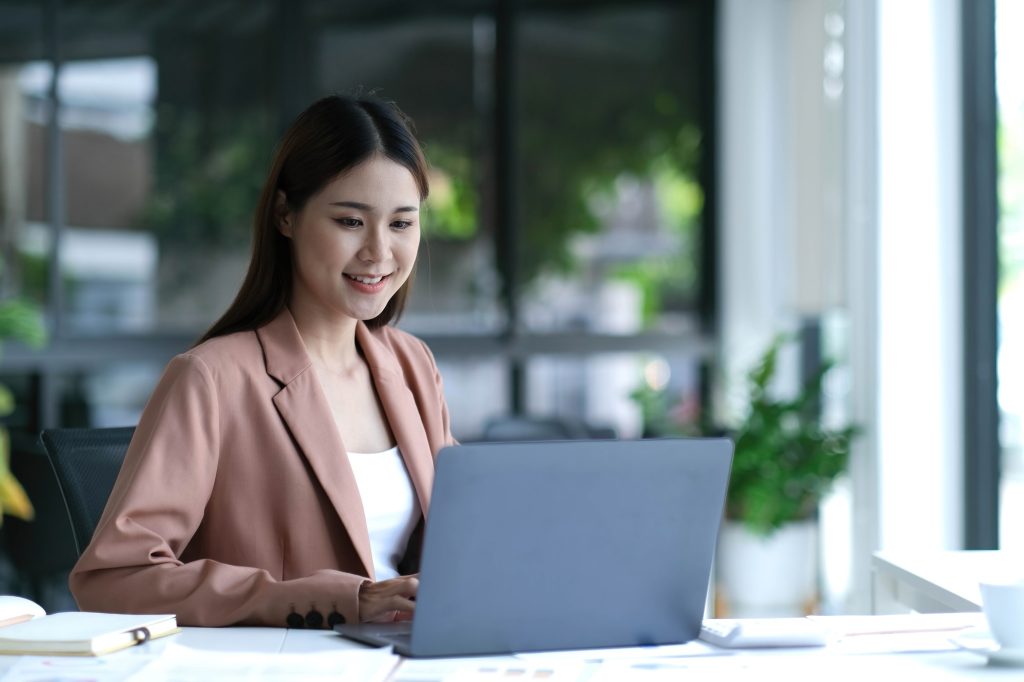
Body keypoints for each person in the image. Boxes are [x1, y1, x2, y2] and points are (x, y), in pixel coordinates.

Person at [69, 95, 454, 628]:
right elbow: (113, 578)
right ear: (285, 216)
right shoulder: (212, 378)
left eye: (401, 224)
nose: (378, 253)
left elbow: (465, 539)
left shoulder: (412, 365)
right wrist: (334, 599)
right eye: (350, 221)